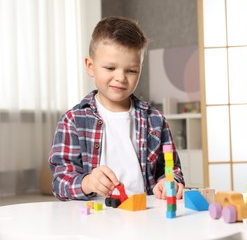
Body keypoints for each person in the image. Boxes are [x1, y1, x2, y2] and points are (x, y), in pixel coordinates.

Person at [48, 16, 185, 201]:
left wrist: (169, 182)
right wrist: (87, 182)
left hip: (146, 214)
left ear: (140, 69)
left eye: (131, 70)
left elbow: (171, 169)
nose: (120, 77)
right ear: (90, 66)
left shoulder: (155, 120)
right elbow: (60, 182)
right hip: (95, 217)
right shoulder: (73, 120)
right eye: (110, 68)